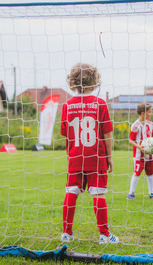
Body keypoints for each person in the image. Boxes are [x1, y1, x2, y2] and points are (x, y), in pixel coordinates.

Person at [60, 63, 119, 244]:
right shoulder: (100, 104)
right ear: (95, 81)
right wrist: (109, 157)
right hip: (97, 156)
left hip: (76, 157)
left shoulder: (67, 105)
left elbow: (65, 133)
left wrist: (70, 153)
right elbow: (107, 133)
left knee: (71, 192)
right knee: (98, 194)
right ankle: (104, 235)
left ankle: (66, 234)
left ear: (73, 82)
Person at [127, 102, 153, 200]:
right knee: (137, 173)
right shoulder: (136, 125)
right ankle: (131, 193)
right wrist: (139, 147)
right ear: (143, 113)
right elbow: (131, 140)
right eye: (149, 112)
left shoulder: (151, 124)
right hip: (138, 155)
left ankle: (151, 193)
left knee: (150, 173)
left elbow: (152, 139)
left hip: (148, 155)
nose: (151, 114)